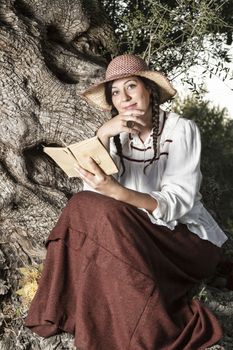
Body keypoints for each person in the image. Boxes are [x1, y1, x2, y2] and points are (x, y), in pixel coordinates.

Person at [25, 54, 228, 350]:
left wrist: (117, 192)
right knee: (80, 205)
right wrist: (104, 135)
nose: (125, 98)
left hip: (186, 242)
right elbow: (93, 195)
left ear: (149, 89)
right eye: (116, 93)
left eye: (131, 87)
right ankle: (58, 308)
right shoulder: (117, 137)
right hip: (134, 236)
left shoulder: (182, 130)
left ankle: (146, 326)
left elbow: (177, 202)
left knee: (103, 214)